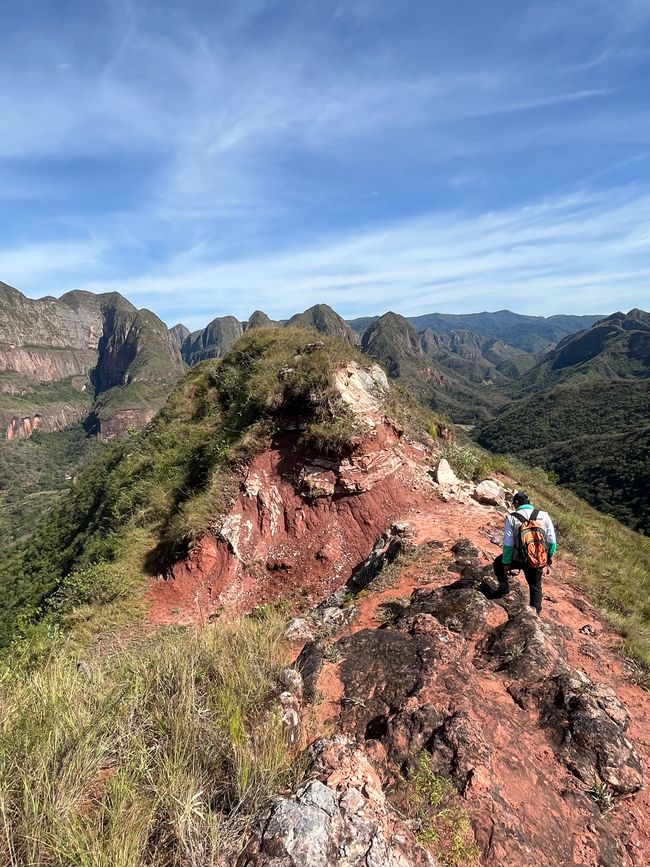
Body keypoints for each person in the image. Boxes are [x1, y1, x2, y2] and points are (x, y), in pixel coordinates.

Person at [493, 491, 557, 614]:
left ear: (516, 503)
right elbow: (551, 541)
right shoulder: (544, 515)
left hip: (517, 558)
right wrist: (548, 558)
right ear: (529, 503)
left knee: (497, 563)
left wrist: (506, 563)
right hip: (537, 558)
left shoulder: (511, 518)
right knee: (535, 586)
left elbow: (508, 544)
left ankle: (503, 588)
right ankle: (535, 612)